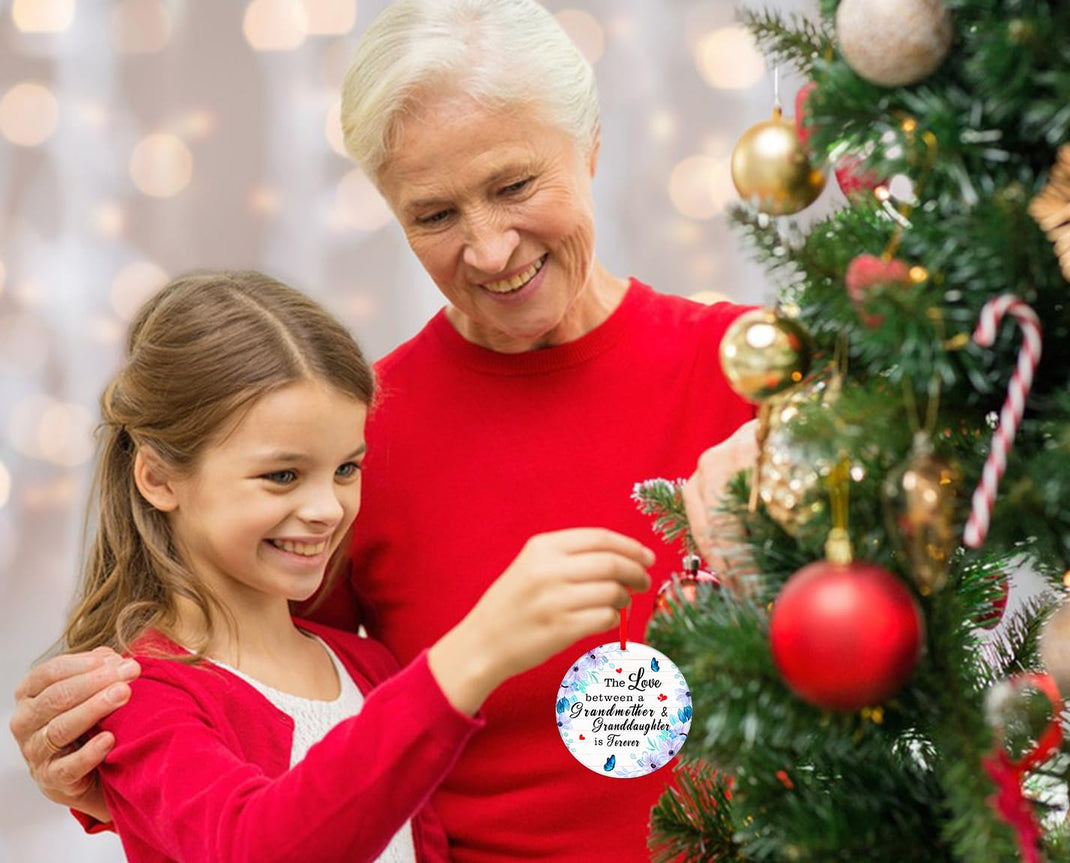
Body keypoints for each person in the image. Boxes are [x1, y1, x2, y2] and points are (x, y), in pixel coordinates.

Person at [11, 2, 758, 859]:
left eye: (515, 186)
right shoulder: (355, 443)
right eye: (434, 215)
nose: (487, 249)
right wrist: (98, 764)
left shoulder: (758, 372)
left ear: (589, 145)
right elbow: (275, 709)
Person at [52, 270, 654, 862]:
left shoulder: (369, 667)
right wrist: (473, 654)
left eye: (346, 470)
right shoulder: (138, 698)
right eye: (282, 475)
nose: (325, 509)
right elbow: (256, 846)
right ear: (159, 478)